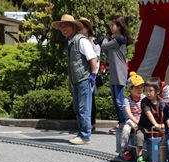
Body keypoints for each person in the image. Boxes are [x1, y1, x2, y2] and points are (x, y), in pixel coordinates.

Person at [52, 14, 97, 145]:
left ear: (73, 26)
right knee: (78, 109)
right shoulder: (70, 41)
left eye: (66, 25)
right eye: (61, 26)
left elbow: (92, 58)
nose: (63, 28)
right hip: (76, 81)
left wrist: (93, 74)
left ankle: (85, 135)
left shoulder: (81, 40)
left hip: (84, 79)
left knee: (84, 109)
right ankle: (82, 133)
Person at [101, 15, 133, 133]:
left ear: (119, 26)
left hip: (119, 72)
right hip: (114, 73)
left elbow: (104, 46)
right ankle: (121, 123)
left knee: (119, 101)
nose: (111, 28)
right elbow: (105, 50)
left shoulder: (120, 39)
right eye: (110, 26)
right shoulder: (114, 41)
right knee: (115, 101)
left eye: (113, 25)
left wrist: (105, 37)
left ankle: (123, 123)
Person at [136, 77, 164, 162]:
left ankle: (162, 157)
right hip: (145, 126)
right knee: (139, 135)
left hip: (157, 126)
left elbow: (163, 113)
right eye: (146, 90)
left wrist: (162, 123)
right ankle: (139, 157)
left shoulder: (160, 101)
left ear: (158, 91)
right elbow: (148, 113)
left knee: (165, 137)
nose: (147, 93)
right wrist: (156, 124)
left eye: (150, 90)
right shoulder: (144, 101)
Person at [79, 17, 101, 132]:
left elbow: (96, 59)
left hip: (91, 74)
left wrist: (93, 74)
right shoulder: (78, 40)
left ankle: (91, 123)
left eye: (81, 27)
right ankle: (83, 123)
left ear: (87, 28)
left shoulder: (94, 42)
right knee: (82, 102)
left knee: (90, 100)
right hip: (81, 74)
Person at [120, 71, 145, 160]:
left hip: (142, 119)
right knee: (126, 129)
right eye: (137, 88)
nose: (140, 90)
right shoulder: (127, 99)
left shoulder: (143, 98)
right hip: (132, 119)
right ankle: (124, 149)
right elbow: (129, 113)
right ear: (130, 89)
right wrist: (136, 121)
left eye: (141, 87)